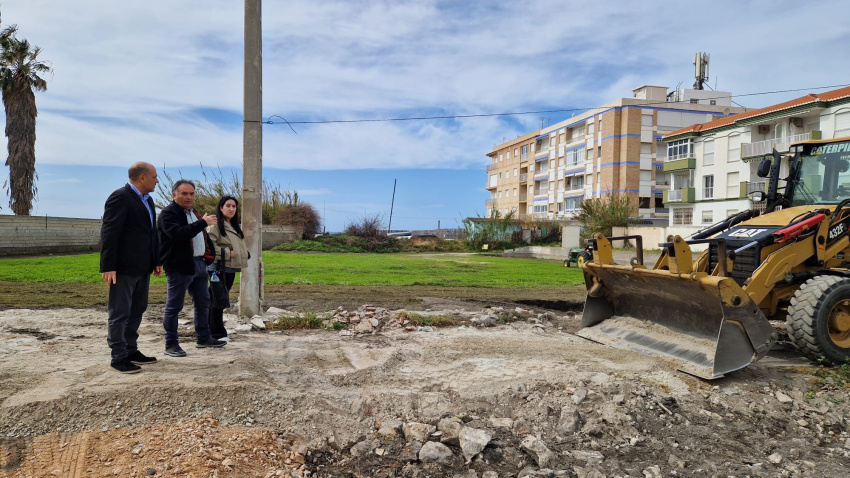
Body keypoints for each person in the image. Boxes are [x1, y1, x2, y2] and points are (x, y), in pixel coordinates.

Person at [100, 162, 162, 374]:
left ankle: (130, 349)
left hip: (142, 267)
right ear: (142, 177)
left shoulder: (148, 200)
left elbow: (151, 233)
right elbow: (110, 233)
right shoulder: (120, 197)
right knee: (120, 312)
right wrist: (108, 266)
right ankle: (118, 357)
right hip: (123, 268)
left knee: (137, 309)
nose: (157, 181)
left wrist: (156, 260)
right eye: (154, 177)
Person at [158, 179, 227, 357]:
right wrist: (203, 222)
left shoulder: (193, 213)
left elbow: (201, 237)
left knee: (204, 303)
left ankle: (204, 338)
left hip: (199, 264)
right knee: (174, 306)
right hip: (179, 266)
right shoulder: (168, 214)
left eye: (191, 193)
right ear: (174, 195)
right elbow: (178, 234)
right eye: (184, 193)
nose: (189, 197)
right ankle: (171, 344)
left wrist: (207, 255)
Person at [206, 195, 250, 340]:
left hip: (229, 268)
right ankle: (216, 333)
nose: (231, 209)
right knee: (217, 300)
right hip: (218, 268)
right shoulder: (215, 225)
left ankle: (209, 329)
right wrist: (227, 253)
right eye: (228, 206)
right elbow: (209, 247)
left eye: (234, 206)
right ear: (221, 207)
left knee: (218, 299)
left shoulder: (233, 226)